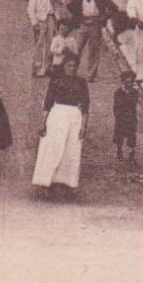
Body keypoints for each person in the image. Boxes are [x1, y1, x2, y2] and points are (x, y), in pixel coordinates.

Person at [32, 56, 89, 198]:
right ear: (64, 67)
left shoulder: (81, 82)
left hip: (74, 117)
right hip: (57, 115)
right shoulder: (55, 81)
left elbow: (86, 106)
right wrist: (43, 122)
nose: (72, 68)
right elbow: (48, 103)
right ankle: (44, 183)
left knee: (71, 151)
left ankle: (66, 185)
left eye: (74, 66)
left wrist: (83, 126)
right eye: (69, 65)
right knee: (52, 148)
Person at [69, 0, 120, 82]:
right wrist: (79, 17)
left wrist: (104, 17)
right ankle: (73, 72)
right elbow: (71, 6)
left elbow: (114, 7)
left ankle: (90, 75)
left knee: (93, 50)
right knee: (77, 48)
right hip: (84, 24)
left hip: (95, 25)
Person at [28, 0, 61, 77]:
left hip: (51, 19)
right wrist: (34, 23)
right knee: (40, 45)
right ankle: (37, 68)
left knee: (50, 44)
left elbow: (62, 1)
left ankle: (47, 67)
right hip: (41, 20)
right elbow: (31, 8)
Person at [113, 70, 139, 164]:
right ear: (123, 81)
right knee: (120, 136)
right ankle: (119, 151)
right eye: (127, 82)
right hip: (121, 118)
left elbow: (134, 103)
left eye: (131, 82)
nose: (129, 84)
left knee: (131, 137)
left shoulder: (135, 92)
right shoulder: (118, 92)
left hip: (131, 118)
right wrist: (119, 115)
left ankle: (131, 154)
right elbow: (116, 106)